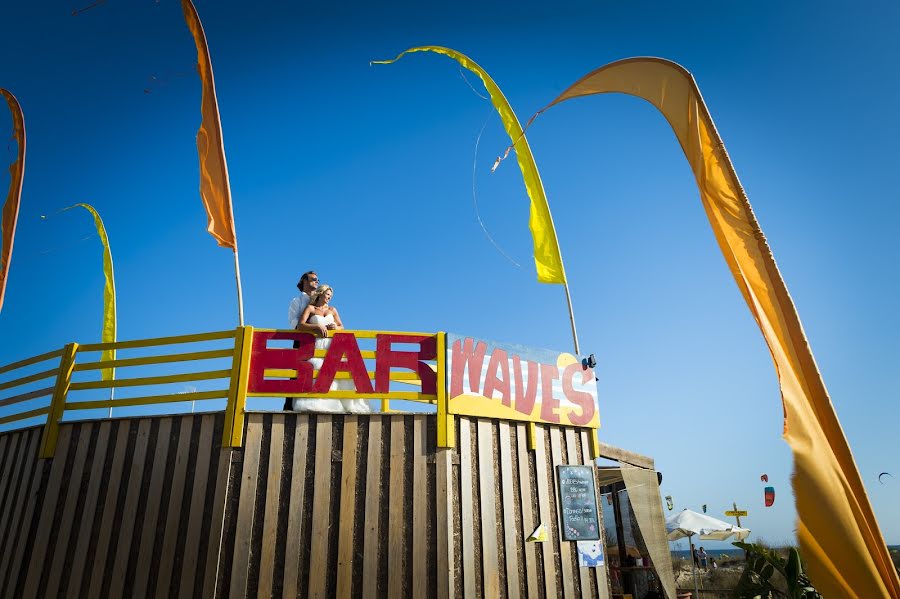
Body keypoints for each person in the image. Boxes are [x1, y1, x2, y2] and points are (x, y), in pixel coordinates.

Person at [291, 284, 371, 414]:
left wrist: (335, 327)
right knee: (315, 368)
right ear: (320, 293)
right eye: (327, 294)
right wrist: (316, 326)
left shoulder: (332, 310)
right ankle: (315, 402)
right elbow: (300, 325)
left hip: (331, 344)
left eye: (330, 296)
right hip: (316, 343)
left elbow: (342, 326)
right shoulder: (310, 308)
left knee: (333, 372)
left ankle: (336, 403)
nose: (328, 297)